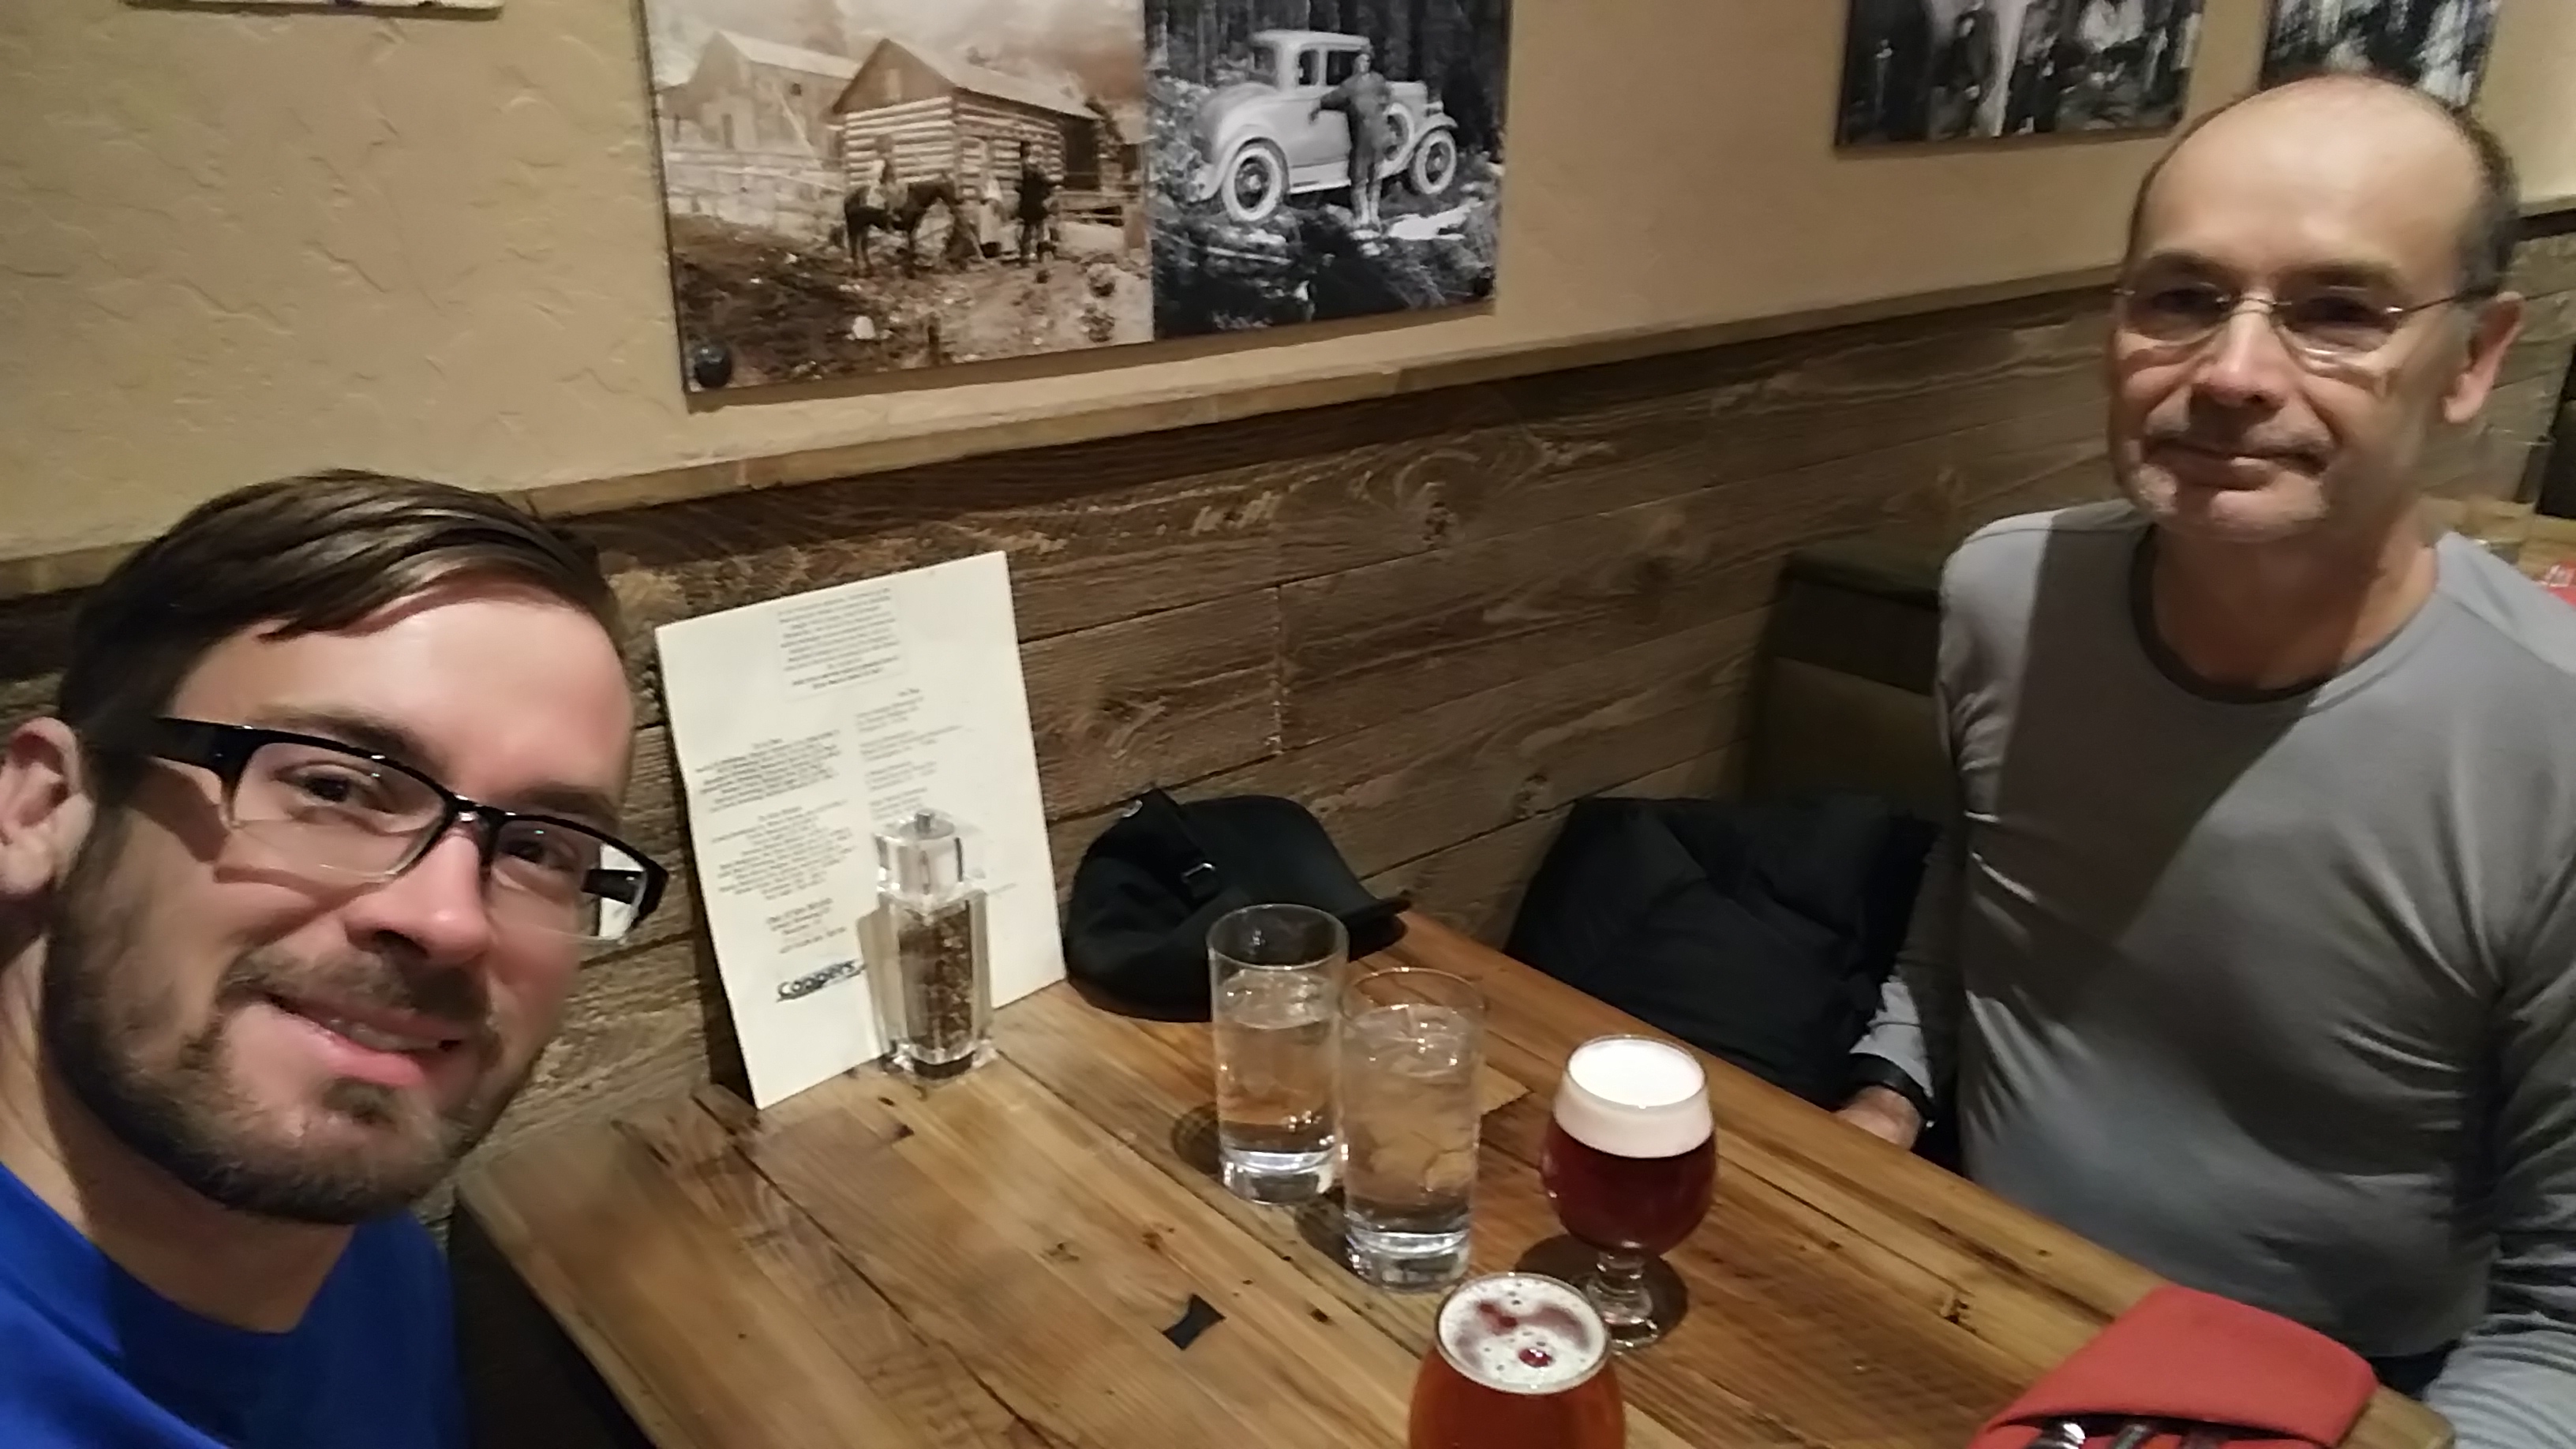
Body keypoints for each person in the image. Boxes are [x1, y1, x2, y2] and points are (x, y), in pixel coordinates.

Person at [1837, 74, 2576, 1443]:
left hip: (2338, 1393)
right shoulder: (2002, 594)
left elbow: (2560, 1332)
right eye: (2177, 299)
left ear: (2472, 358)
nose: (2229, 374)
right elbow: (1982, 887)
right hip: (1974, 1286)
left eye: (2336, 311)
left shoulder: (2551, 738)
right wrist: (1883, 1100)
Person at [0, 471, 665, 1446]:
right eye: (336, 787)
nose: (449, 920)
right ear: (42, 810)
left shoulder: (353, 1242)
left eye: (537, 850)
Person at [1312, 45, 1394, 230]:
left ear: (1369, 63)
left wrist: (1382, 109)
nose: (1361, 64)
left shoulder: (1377, 80)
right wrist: (1319, 104)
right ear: (1354, 63)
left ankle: (1372, 214)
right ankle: (1362, 215)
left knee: (1374, 176)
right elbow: (1332, 97)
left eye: (1365, 60)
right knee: (1358, 177)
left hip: (1376, 134)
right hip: (1362, 137)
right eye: (1359, 60)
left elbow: (1388, 96)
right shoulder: (1350, 84)